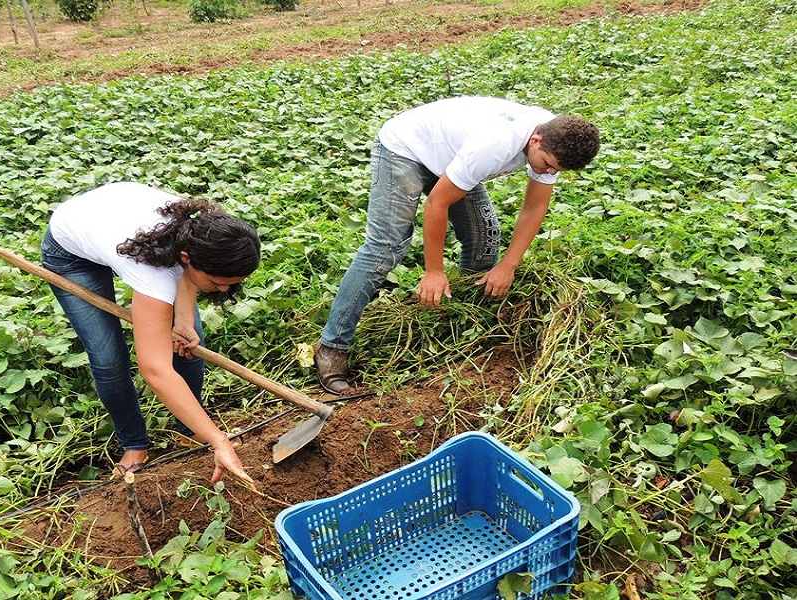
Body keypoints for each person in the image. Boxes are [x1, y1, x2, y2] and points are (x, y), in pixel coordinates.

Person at [315, 96, 600, 394]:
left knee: (484, 237)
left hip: (450, 156)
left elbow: (535, 207)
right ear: (535, 140)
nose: (550, 173)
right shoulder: (495, 145)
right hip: (404, 149)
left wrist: (508, 265)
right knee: (386, 246)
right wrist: (434, 271)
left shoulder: (557, 139)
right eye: (548, 165)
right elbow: (437, 204)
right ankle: (332, 346)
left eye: (557, 170)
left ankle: (459, 317)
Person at [41, 181, 260, 484]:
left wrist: (183, 320)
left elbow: (185, 276)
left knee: (187, 340)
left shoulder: (200, 234)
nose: (224, 290)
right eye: (217, 282)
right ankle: (134, 443)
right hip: (71, 252)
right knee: (108, 358)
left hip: (115, 221)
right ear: (188, 258)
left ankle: (190, 429)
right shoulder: (153, 270)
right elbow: (155, 370)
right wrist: (219, 440)